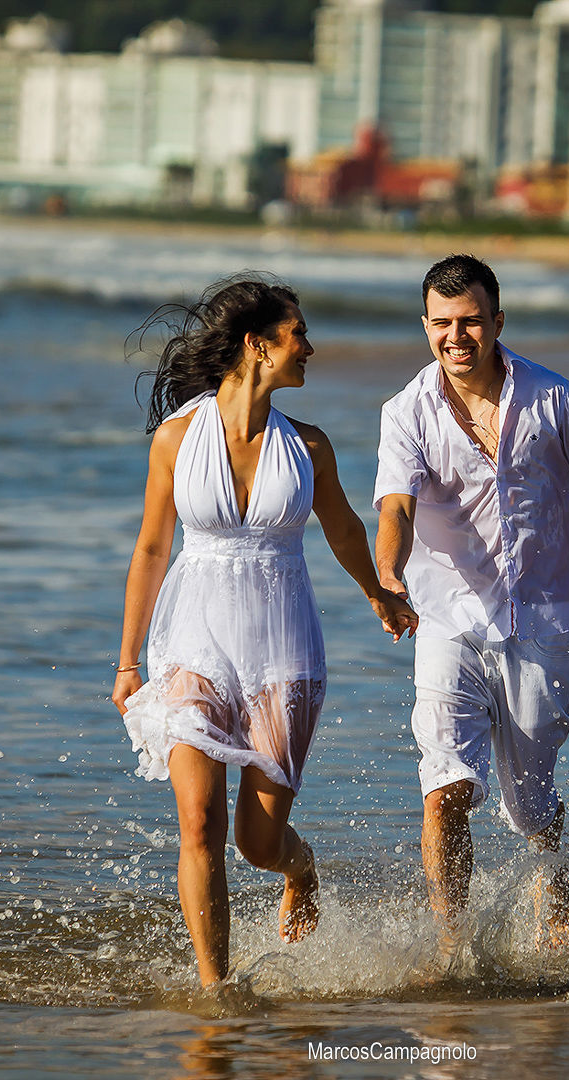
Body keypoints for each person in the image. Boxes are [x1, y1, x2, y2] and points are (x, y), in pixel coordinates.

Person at [110, 277, 418, 988]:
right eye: (297, 333)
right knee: (199, 825)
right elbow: (152, 547)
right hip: (193, 643)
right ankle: (215, 991)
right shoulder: (177, 438)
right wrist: (127, 662)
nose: (309, 347)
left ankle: (300, 868)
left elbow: (343, 529)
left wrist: (378, 593)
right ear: (257, 345)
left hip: (283, 651)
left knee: (257, 843)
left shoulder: (307, 445)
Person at [374, 254, 569, 954]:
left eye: (470, 321)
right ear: (425, 326)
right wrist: (387, 573)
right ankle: (454, 950)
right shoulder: (406, 412)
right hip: (448, 622)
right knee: (445, 788)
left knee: (530, 805)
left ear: (497, 322)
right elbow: (395, 508)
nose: (456, 337)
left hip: (542, 625)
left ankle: (556, 897)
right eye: (442, 323)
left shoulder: (552, 397)